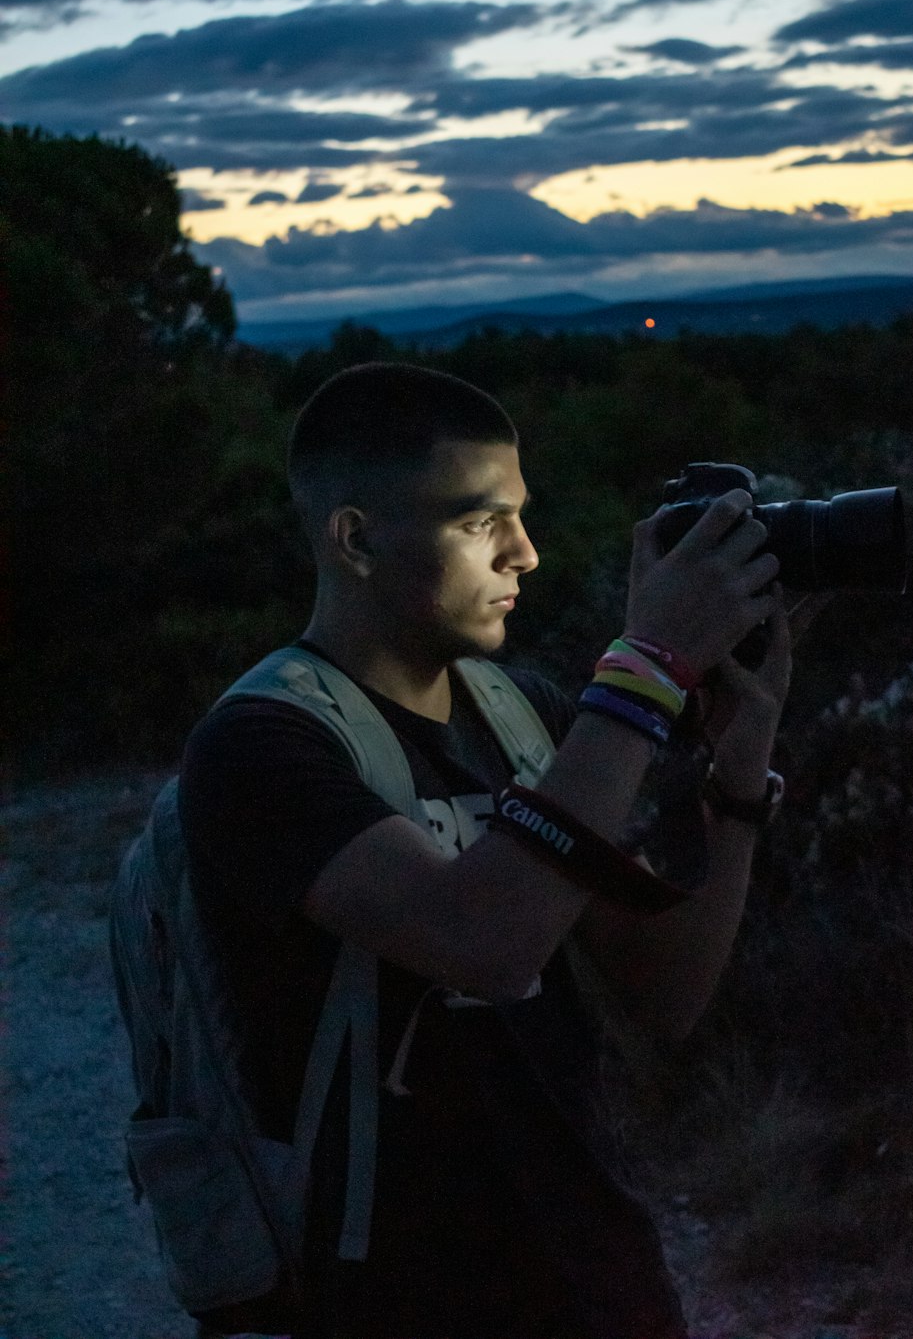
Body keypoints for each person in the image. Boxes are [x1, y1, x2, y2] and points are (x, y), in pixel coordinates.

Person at [178, 360, 795, 1339]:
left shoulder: (520, 715)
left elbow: (663, 998)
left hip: (598, 1277)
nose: (527, 554)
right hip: (399, 1301)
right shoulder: (262, 746)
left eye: (522, 514)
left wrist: (739, 778)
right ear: (357, 539)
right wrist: (645, 671)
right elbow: (488, 940)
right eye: (480, 523)